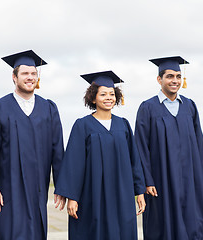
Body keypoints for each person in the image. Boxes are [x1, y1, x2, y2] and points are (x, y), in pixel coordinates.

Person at [0, 50, 65, 240]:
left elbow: (57, 149)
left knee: (36, 230)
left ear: (37, 77)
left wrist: (61, 185)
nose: (30, 77)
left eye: (33, 74)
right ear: (14, 77)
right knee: (9, 230)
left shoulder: (49, 108)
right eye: (24, 74)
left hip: (38, 184)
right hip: (7, 186)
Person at [55, 71, 146, 240]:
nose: (108, 97)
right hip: (92, 193)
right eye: (103, 94)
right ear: (93, 98)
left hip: (122, 192)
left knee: (122, 231)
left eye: (112, 94)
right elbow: (74, 164)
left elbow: (134, 161)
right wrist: (72, 197)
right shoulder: (82, 125)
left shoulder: (123, 125)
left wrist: (139, 191)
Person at [134, 56, 203, 240]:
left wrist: (202, 177)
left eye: (178, 76)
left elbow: (199, 142)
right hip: (162, 178)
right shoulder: (147, 108)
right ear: (159, 79)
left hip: (190, 178)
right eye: (170, 76)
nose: (175, 81)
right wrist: (147, 180)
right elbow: (140, 147)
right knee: (164, 223)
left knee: (194, 222)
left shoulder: (189, 106)